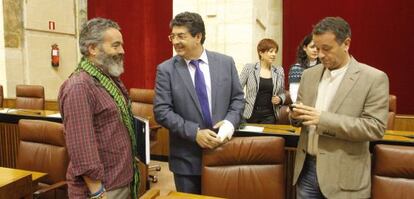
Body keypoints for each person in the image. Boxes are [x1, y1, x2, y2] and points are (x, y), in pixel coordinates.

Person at [290, 17, 389, 199]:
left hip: (345, 177)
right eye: (317, 48)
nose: (320, 55)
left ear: (346, 43)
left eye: (326, 49)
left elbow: (375, 128)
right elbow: (302, 116)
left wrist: (323, 119)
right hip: (307, 170)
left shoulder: (373, 78)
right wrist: (295, 115)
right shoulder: (308, 75)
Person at [153, 11, 245, 194]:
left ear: (198, 36)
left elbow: (238, 99)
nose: (175, 41)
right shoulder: (166, 70)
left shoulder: (225, 63)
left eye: (181, 36)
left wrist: (229, 123)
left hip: (223, 152)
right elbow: (162, 111)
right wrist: (194, 132)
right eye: (172, 36)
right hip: (186, 159)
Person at [58, 18, 139, 199]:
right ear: (93, 49)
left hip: (120, 181)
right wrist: (97, 191)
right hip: (102, 190)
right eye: (116, 46)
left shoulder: (107, 80)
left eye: (121, 45)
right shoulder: (80, 86)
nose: (122, 51)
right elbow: (81, 146)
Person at [239, 38, 286, 124]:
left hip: (270, 116)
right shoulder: (249, 68)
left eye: (275, 52)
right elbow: (238, 89)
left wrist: (280, 98)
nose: (274, 54)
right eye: (271, 51)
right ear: (261, 53)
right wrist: (241, 105)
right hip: (249, 114)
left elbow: (282, 93)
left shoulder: (279, 71)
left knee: (266, 137)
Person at [288, 34, 320, 102]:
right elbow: (294, 95)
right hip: (303, 106)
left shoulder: (325, 67)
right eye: (312, 47)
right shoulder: (296, 69)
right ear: (305, 48)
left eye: (318, 48)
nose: (315, 50)